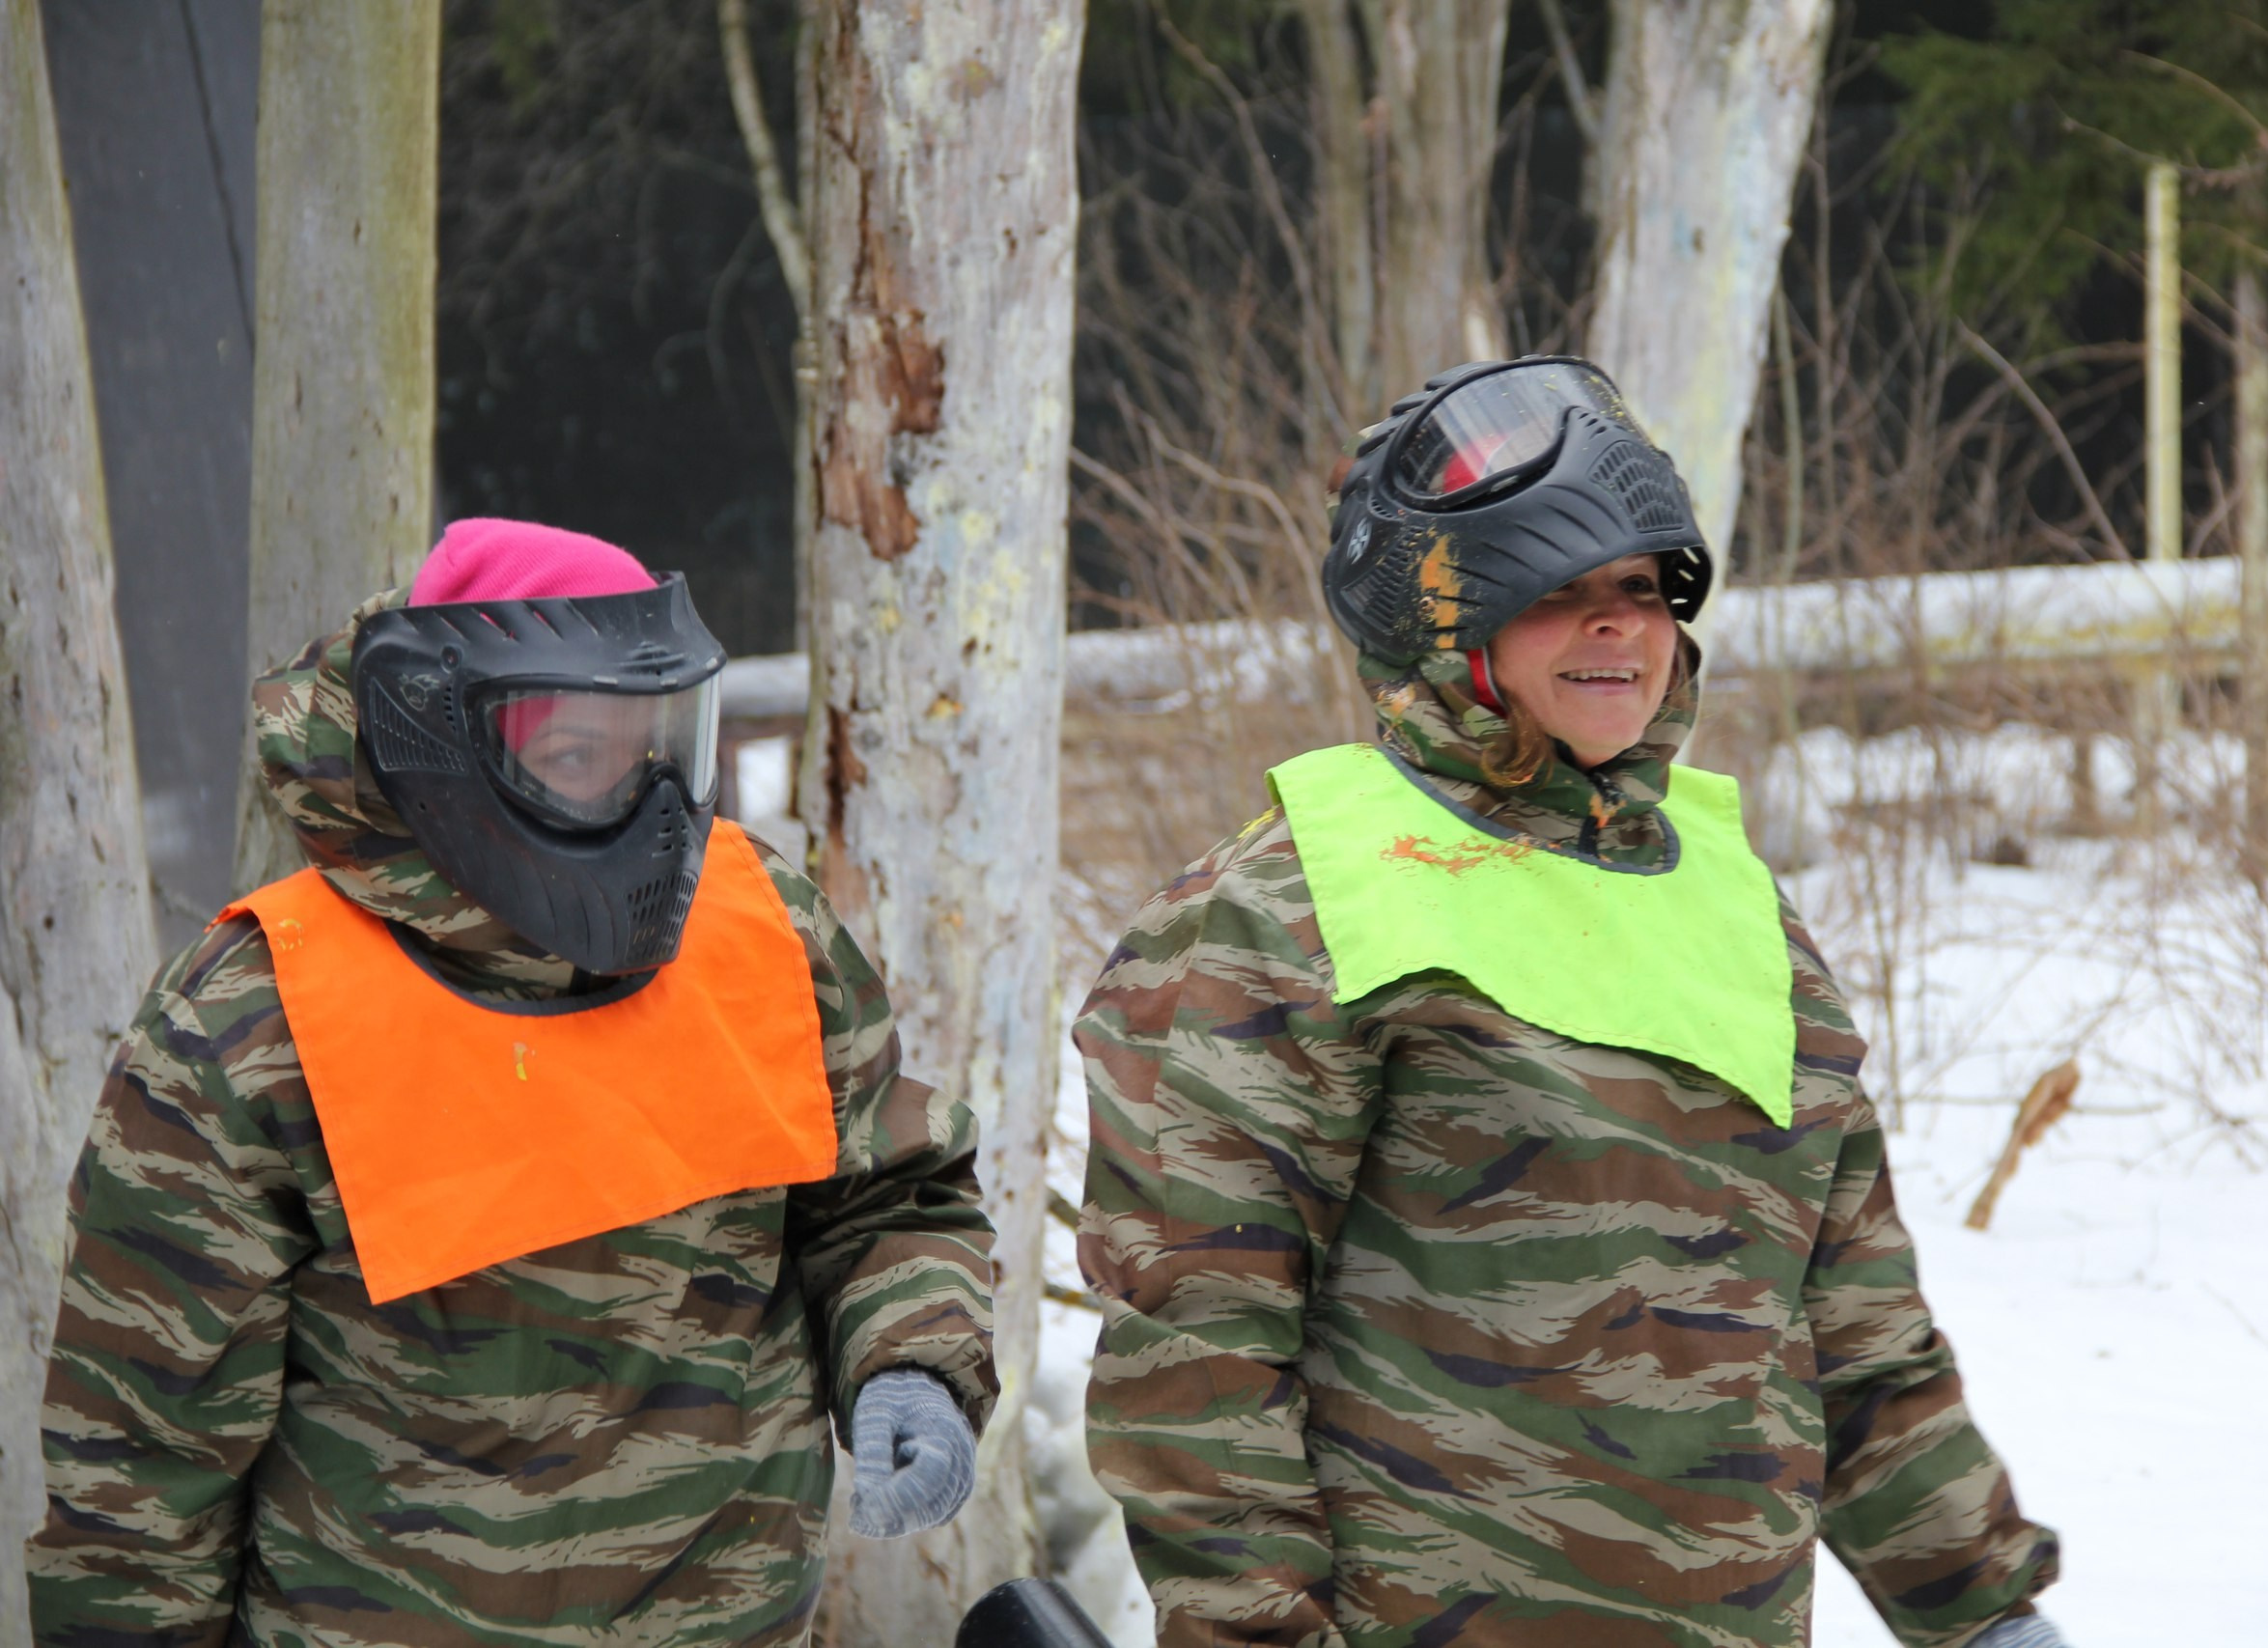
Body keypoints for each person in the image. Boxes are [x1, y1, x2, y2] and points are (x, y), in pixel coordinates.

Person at [1075, 359, 2071, 1648]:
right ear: (1452, 624)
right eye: (1556, 590)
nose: (1616, 627)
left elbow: (1855, 1323)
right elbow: (1201, 1333)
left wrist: (1979, 1604)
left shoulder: (1741, 911)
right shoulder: (1309, 894)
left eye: (1642, 589)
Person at [28, 520, 994, 1645]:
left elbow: (884, 1193)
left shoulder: (761, 929)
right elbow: (141, 1455)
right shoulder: (260, 1017)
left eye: (651, 755)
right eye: (579, 760)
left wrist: (910, 1363)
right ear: (448, 747)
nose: (637, 804)